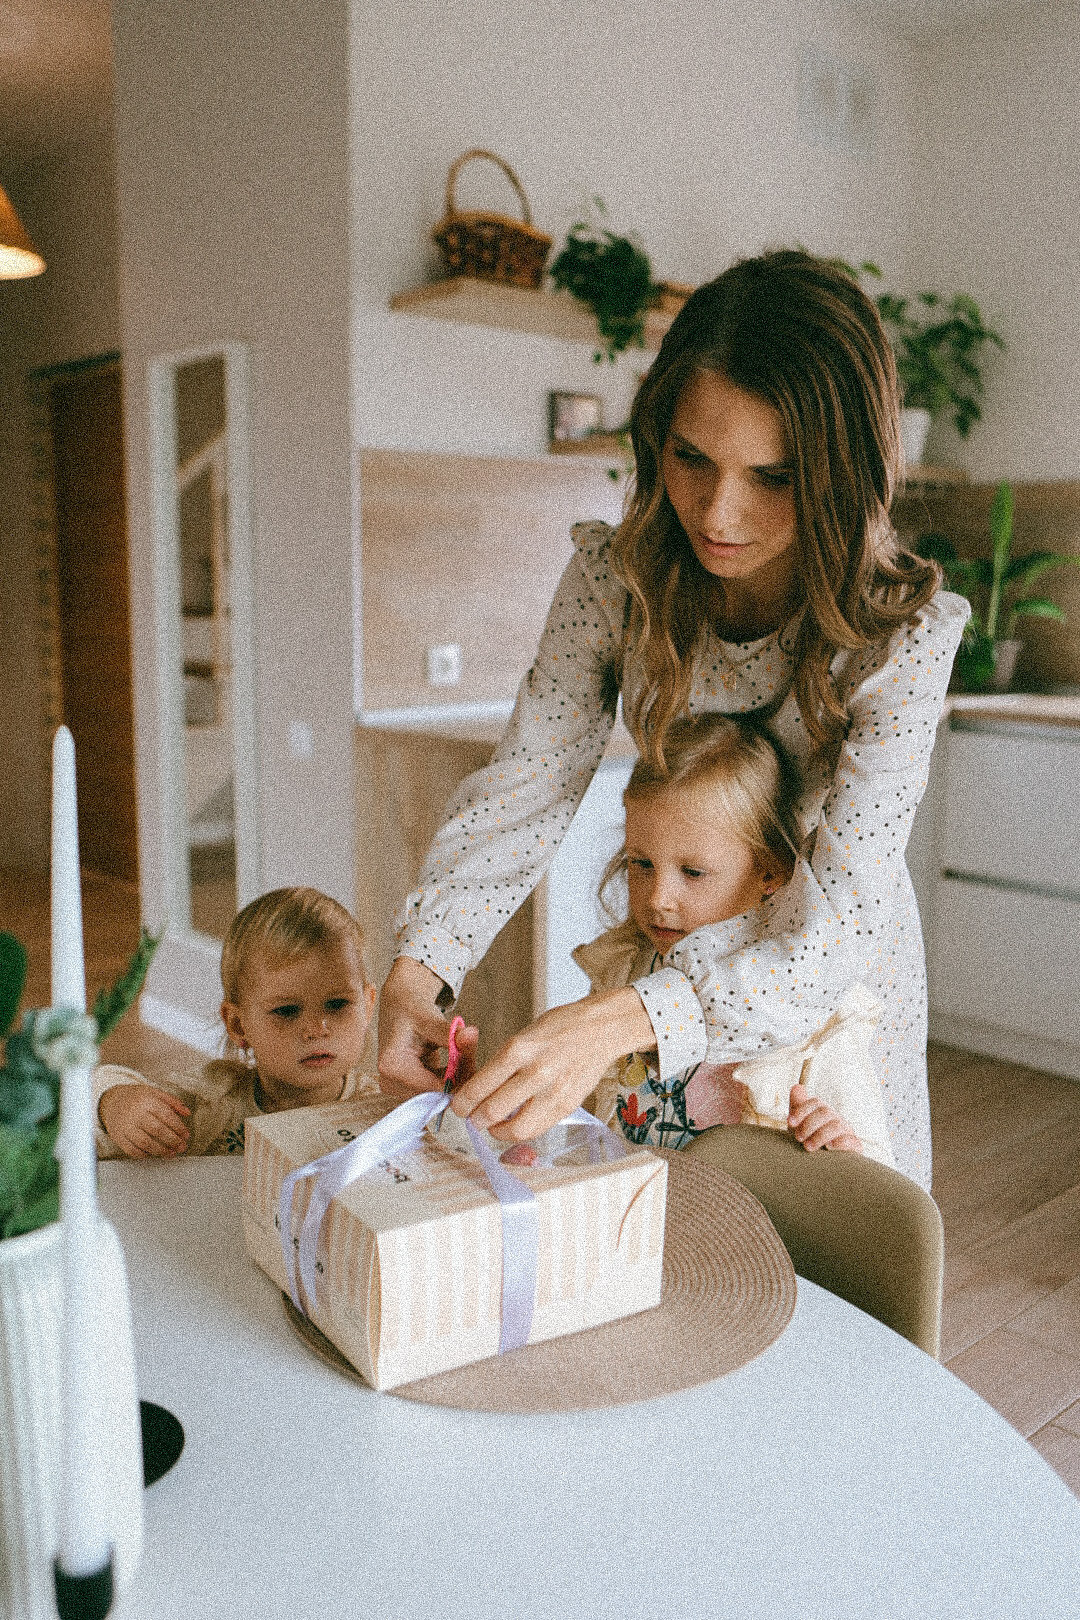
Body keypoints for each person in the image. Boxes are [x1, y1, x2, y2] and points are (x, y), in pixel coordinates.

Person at [377, 248, 969, 1189]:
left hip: (824, 1007)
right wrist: (422, 968)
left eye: (772, 477)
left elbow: (839, 920)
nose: (719, 511)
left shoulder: (899, 636)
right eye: (692, 458)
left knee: (835, 1258)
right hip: (661, 971)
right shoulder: (615, 580)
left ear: (841, 472)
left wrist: (620, 1018)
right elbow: (528, 787)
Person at [574, 712, 896, 1167]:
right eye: (641, 863)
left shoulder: (817, 1018)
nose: (658, 898)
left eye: (693, 872)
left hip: (741, 1235)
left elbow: (878, 1187)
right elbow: (591, 1120)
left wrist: (841, 1150)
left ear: (770, 869)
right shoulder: (623, 969)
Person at [94, 887, 377, 1158]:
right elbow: (77, 1105)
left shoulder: (384, 1109)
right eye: (287, 1011)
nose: (317, 1029)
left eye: (338, 1004)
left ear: (367, 1006)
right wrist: (116, 1104)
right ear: (239, 1026)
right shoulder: (213, 1102)